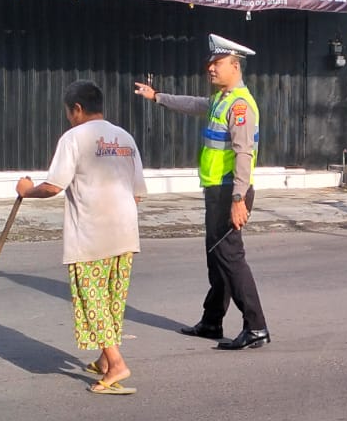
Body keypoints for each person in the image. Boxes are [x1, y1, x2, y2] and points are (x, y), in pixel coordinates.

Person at [132, 34, 271, 350]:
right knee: (216, 258)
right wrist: (158, 97)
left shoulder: (239, 106)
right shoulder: (221, 99)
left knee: (230, 257)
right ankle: (212, 322)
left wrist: (238, 199)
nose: (210, 68)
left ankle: (256, 326)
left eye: (217, 63)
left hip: (229, 192)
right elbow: (195, 104)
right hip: (216, 191)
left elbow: (244, 154)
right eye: (210, 63)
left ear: (235, 66)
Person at [17, 80, 148, 395]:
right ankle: (105, 359)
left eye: (68, 112)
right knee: (111, 301)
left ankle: (116, 363)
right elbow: (139, 192)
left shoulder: (73, 138)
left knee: (92, 300)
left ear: (76, 108)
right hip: (126, 231)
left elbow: (53, 186)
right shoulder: (125, 137)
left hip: (91, 233)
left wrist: (26, 191)